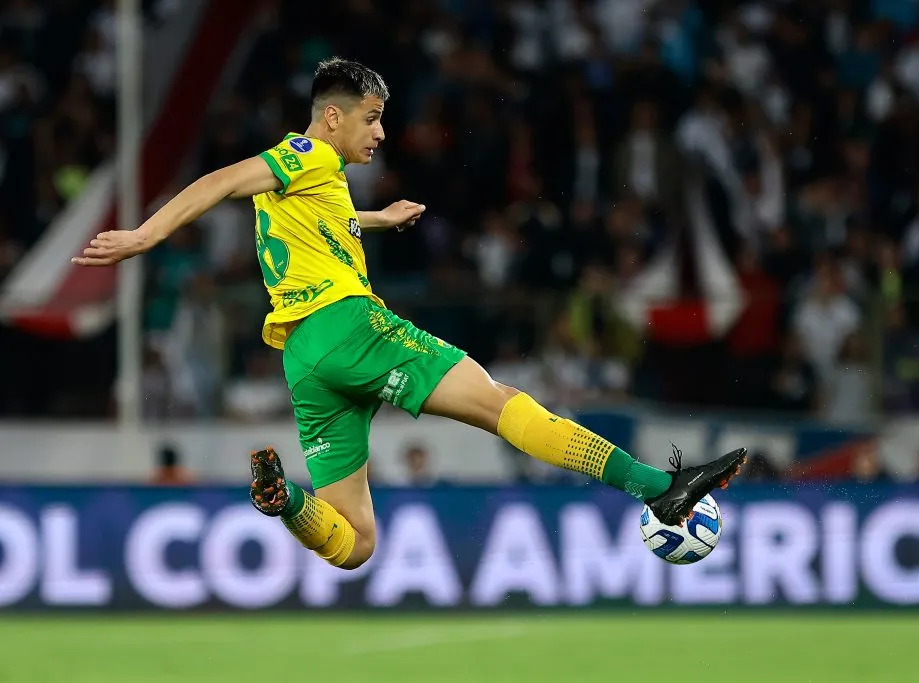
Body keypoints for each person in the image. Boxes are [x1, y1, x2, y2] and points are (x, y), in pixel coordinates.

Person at [73, 57, 746, 570]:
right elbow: (222, 180)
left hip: (306, 360)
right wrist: (143, 236)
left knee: (354, 541)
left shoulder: (317, 181)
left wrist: (374, 217)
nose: (382, 131)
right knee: (499, 401)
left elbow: (310, 214)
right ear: (332, 117)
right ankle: (660, 486)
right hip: (349, 326)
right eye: (371, 118)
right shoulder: (303, 153)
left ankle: (284, 501)